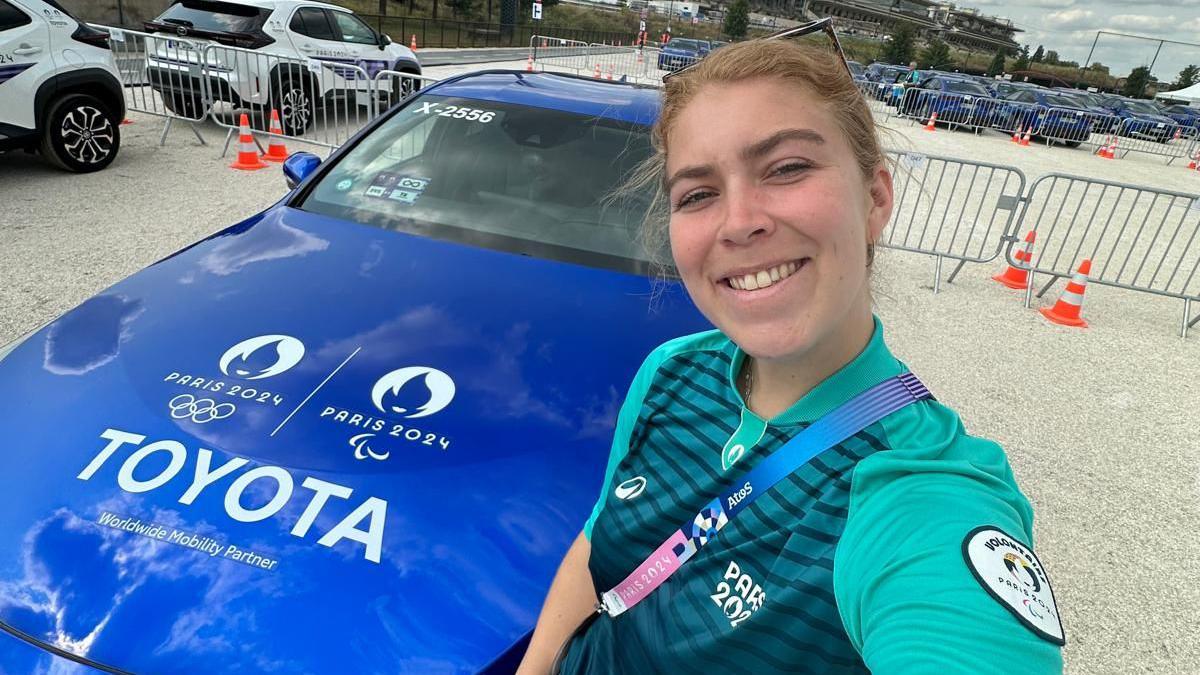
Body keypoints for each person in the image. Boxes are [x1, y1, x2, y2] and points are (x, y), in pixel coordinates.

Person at [517, 38, 1065, 674]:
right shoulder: (672, 370)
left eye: (786, 168)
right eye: (697, 194)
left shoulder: (914, 489)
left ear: (876, 200)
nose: (738, 222)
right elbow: (601, 544)